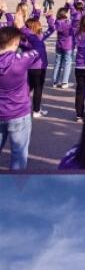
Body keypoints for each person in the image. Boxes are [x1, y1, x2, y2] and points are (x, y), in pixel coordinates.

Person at [0, 18, 41, 169]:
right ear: (15, 43)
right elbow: (39, 46)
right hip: (18, 113)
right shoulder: (20, 60)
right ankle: (16, 187)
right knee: (18, 154)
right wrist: (24, 29)